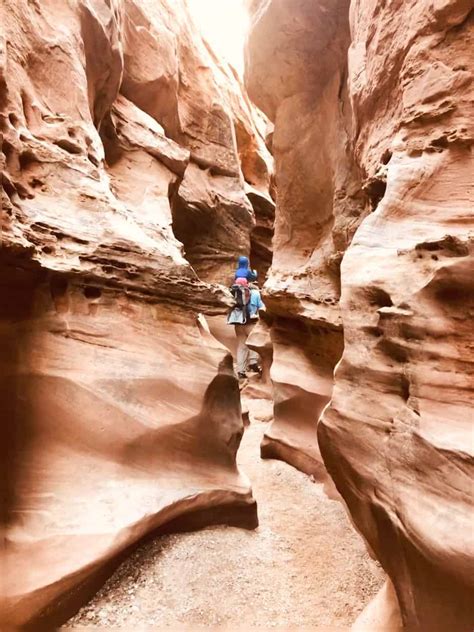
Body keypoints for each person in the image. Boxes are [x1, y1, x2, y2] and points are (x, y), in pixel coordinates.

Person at [233, 282, 265, 379]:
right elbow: (262, 307)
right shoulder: (255, 293)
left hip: (238, 324)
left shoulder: (236, 294)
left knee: (241, 347)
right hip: (251, 323)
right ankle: (253, 363)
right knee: (254, 343)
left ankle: (240, 371)